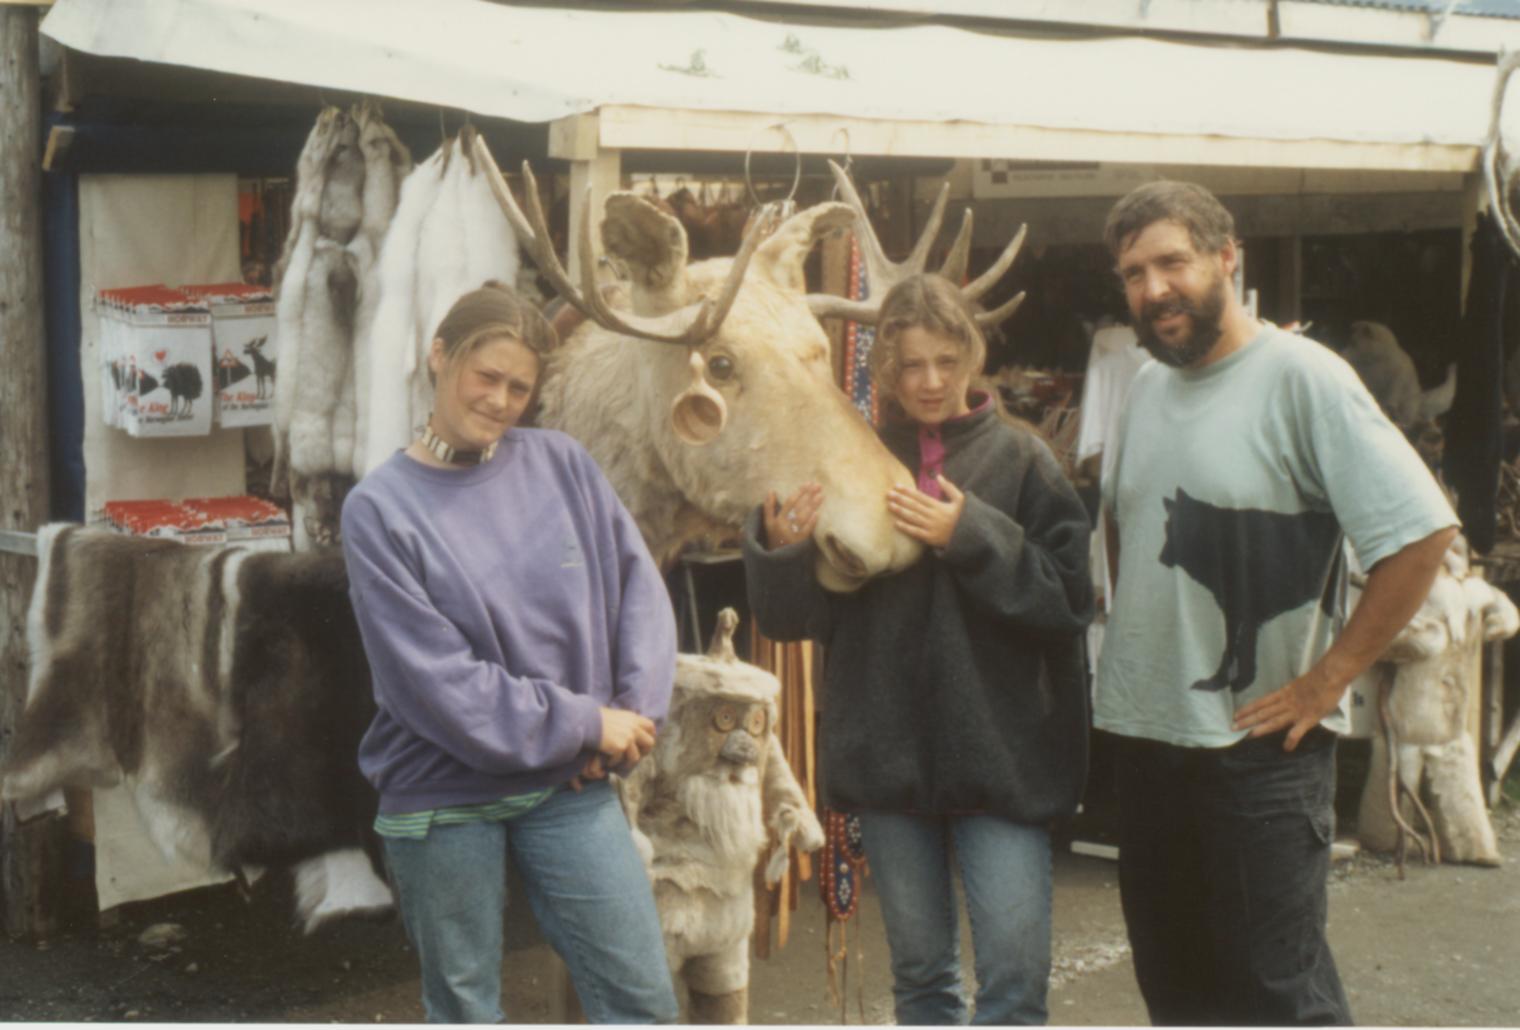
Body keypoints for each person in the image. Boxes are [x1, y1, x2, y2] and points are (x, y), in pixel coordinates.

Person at [1095, 181, 1458, 1026]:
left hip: (1260, 748)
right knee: (1177, 990)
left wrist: (1327, 680)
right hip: (1148, 740)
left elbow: (1421, 533)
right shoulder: (1143, 388)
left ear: (1228, 259)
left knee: (1276, 997)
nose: (1153, 290)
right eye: (1134, 273)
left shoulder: (1303, 377)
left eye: (1172, 262)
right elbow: (1125, 524)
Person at [743, 273, 1094, 1025]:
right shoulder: (850, 457)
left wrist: (968, 536)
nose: (929, 382)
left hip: (1002, 767)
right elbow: (793, 621)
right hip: (890, 765)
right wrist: (779, 551)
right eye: (909, 365)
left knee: (1012, 982)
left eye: (945, 360)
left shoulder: (1025, 463)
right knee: (923, 983)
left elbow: (1067, 601)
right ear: (886, 372)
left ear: (972, 355)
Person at [340, 282, 680, 1024]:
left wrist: (630, 718)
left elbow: (639, 593)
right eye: (484, 375)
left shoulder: (560, 463)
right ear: (439, 356)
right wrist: (586, 722)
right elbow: (433, 685)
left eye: (518, 387)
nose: (498, 399)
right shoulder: (378, 510)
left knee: (642, 998)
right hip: (442, 791)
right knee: (466, 1009)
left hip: (569, 783)